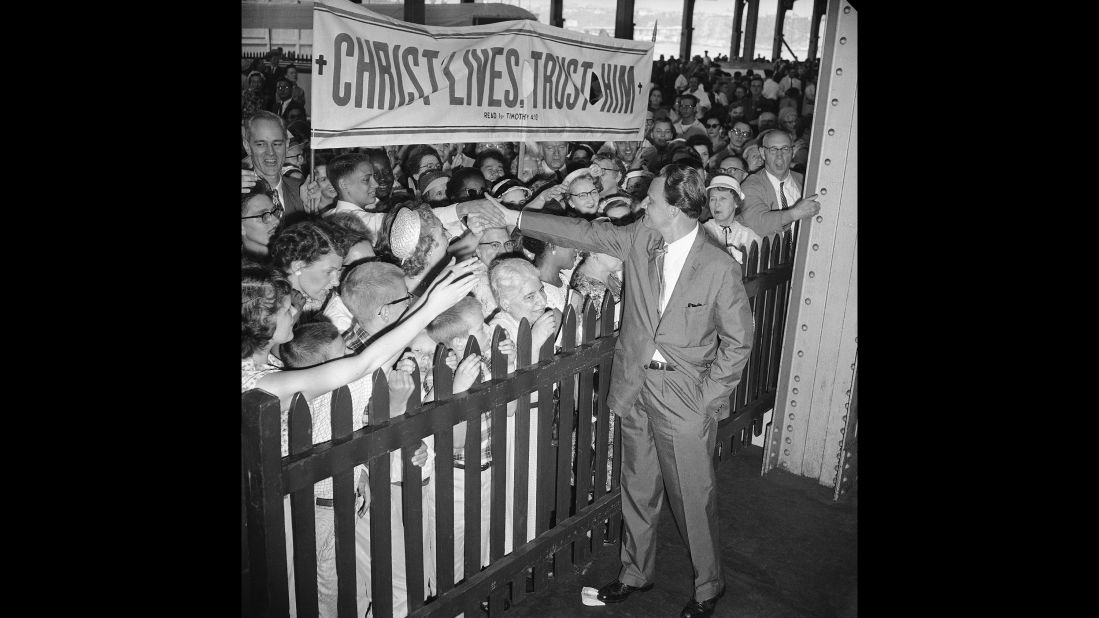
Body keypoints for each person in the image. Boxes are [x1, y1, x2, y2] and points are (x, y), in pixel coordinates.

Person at [487, 163, 753, 618]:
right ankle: (635, 573)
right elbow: (583, 231)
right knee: (637, 487)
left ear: (674, 209)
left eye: (651, 200)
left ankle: (709, 586)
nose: (642, 205)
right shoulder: (639, 239)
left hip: (684, 397)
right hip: (635, 387)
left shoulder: (719, 267)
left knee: (693, 495)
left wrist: (707, 400)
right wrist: (514, 218)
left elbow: (739, 341)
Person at [737, 130, 821, 239]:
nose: (779, 155)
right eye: (773, 149)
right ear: (762, 153)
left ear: (793, 151)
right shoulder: (750, 185)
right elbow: (758, 222)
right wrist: (794, 214)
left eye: (785, 149)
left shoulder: (806, 181)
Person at [241, 111, 305, 218]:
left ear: (287, 145)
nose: (271, 152)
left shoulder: (302, 190)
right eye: (261, 144)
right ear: (247, 146)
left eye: (277, 144)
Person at [700, 174, 762, 265]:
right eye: (713, 199)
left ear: (736, 203)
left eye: (723, 199)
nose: (717, 204)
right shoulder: (701, 233)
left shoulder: (749, 236)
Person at [241, 178, 283, 263]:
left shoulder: (290, 256)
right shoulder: (247, 273)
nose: (277, 221)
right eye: (264, 216)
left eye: (275, 212)